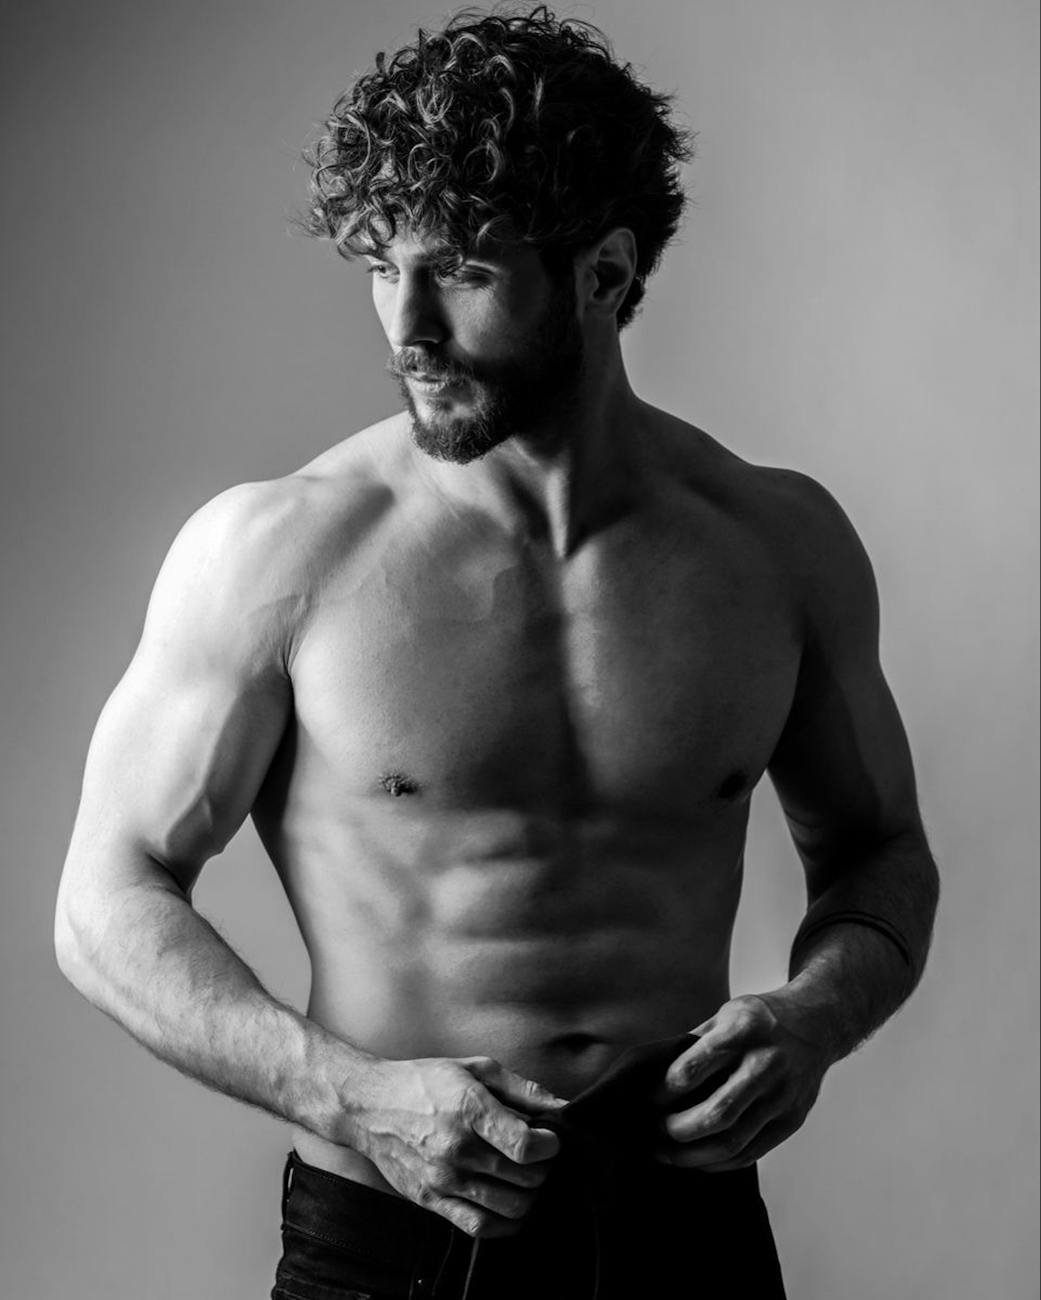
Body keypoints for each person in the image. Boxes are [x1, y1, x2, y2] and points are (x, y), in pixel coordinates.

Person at [54, 7, 940, 1298]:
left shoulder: (775, 547)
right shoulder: (281, 551)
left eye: (461, 270)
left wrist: (815, 1018)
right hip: (397, 1231)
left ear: (604, 270)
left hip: (683, 1232)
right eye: (377, 263)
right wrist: (349, 1095)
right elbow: (106, 900)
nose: (403, 326)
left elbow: (877, 857)